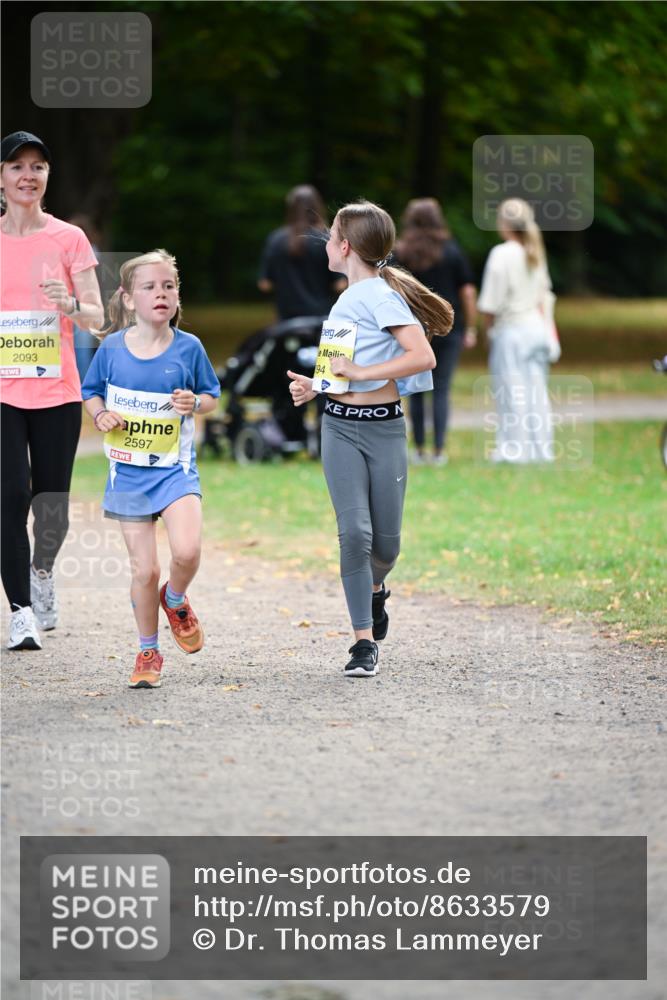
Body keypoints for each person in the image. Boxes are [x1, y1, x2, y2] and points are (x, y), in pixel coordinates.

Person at [287, 201, 453, 678]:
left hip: (384, 430)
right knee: (354, 535)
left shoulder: (379, 297)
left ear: (345, 246)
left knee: (386, 548)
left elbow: (423, 357)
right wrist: (313, 386)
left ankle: (376, 589)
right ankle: (362, 643)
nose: (325, 243)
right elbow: (339, 374)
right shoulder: (346, 299)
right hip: (338, 426)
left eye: (330, 235)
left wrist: (363, 372)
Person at [81, 249, 220, 689]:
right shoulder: (113, 349)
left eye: (168, 286)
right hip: (129, 477)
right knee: (144, 570)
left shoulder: (189, 348)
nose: (161, 294)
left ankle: (175, 600)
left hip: (174, 472)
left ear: (177, 296)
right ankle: (148, 650)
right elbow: (90, 392)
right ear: (126, 298)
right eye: (149, 287)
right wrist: (100, 414)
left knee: (187, 552)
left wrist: (194, 404)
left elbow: (211, 397)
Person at [1, 130, 104, 651]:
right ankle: (20, 612)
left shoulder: (68, 239)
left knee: (51, 506)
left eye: (37, 166)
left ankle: (42, 571)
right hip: (2, 393)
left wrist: (68, 305)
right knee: (9, 495)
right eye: (17, 166)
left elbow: (99, 316)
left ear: (47, 177)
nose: (28, 175)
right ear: (1, 178)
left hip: (57, 390)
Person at [395, 198, 478, 464]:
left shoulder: (402, 253)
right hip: (448, 330)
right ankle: (439, 450)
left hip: (411, 330)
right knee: (441, 388)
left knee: (415, 388)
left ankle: (418, 449)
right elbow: (466, 290)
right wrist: (471, 326)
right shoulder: (451, 251)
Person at [477, 198, 555, 463]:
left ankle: (514, 450)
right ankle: (540, 449)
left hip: (512, 331)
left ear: (506, 223)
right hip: (535, 329)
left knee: (511, 392)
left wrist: (487, 332)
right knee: (537, 391)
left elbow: (490, 303)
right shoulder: (534, 251)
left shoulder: (502, 253)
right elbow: (544, 295)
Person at [258, 184, 345, 321]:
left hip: (287, 322)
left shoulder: (276, 239)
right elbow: (339, 284)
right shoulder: (327, 239)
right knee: (333, 344)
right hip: (324, 321)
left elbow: (265, 285)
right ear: (317, 206)